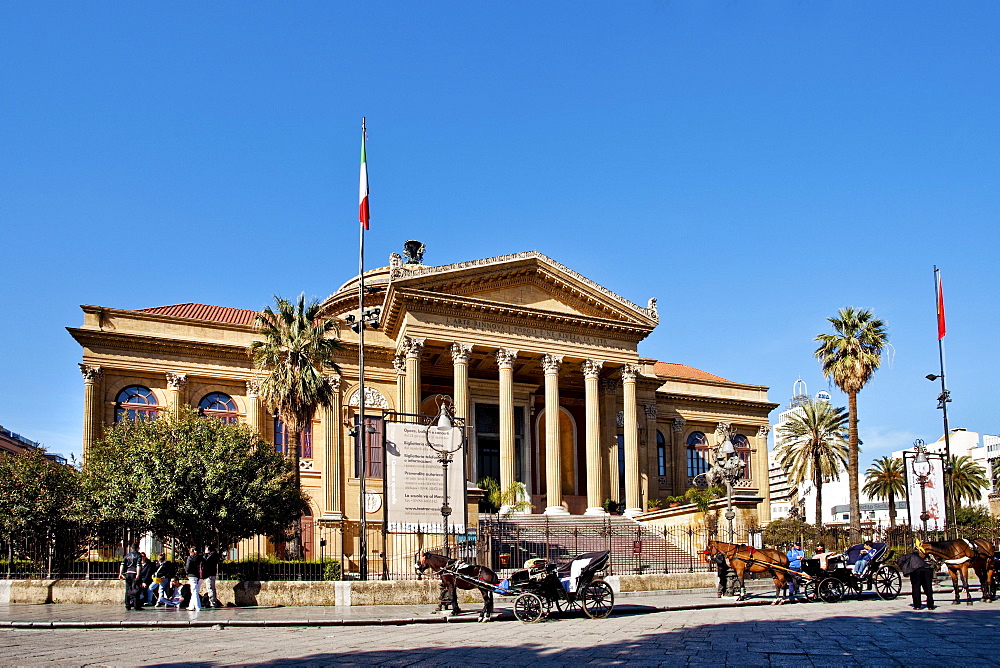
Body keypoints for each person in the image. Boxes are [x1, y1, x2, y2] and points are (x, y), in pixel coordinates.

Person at [118, 543, 143, 611]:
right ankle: (136, 606)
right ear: (138, 548)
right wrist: (138, 574)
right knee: (136, 589)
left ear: (131, 548)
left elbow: (122, 564)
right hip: (134, 573)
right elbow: (138, 565)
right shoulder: (138, 555)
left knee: (128, 589)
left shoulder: (127, 555)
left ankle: (127, 605)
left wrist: (120, 573)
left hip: (128, 573)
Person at [185, 546, 203, 611]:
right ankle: (191, 606)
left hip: (192, 575)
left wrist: (186, 571)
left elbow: (188, 567)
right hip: (199, 576)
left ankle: (198, 606)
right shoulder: (200, 558)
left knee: (194, 591)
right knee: (195, 590)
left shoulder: (190, 558)